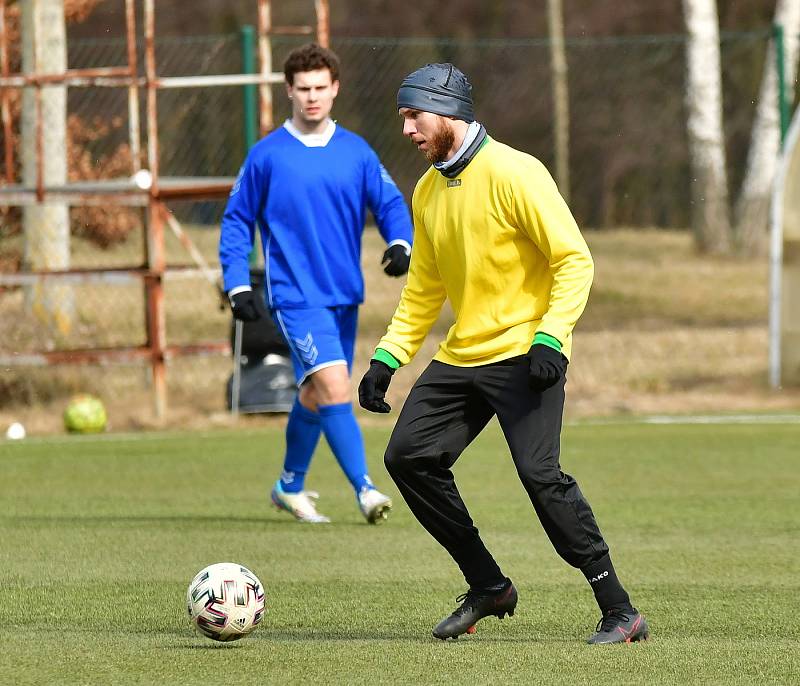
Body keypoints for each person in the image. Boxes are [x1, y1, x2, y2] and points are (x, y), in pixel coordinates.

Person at [358, 63, 648, 643]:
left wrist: (552, 336)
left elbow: (574, 261)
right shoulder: (427, 190)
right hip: (464, 355)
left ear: (446, 111)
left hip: (526, 352)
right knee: (408, 458)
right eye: (404, 119)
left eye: (414, 116)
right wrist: (387, 358)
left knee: (541, 477)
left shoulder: (517, 172)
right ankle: (489, 585)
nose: (408, 130)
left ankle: (619, 609)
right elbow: (425, 288)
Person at [219, 43, 413, 525]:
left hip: (345, 294)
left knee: (316, 392)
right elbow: (236, 222)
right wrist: (237, 284)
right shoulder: (266, 156)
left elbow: (389, 204)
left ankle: (288, 485)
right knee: (335, 386)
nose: (311, 97)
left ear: (335, 89)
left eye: (320, 88)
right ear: (289, 90)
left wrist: (400, 243)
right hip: (294, 296)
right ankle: (365, 490)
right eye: (302, 88)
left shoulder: (356, 151)